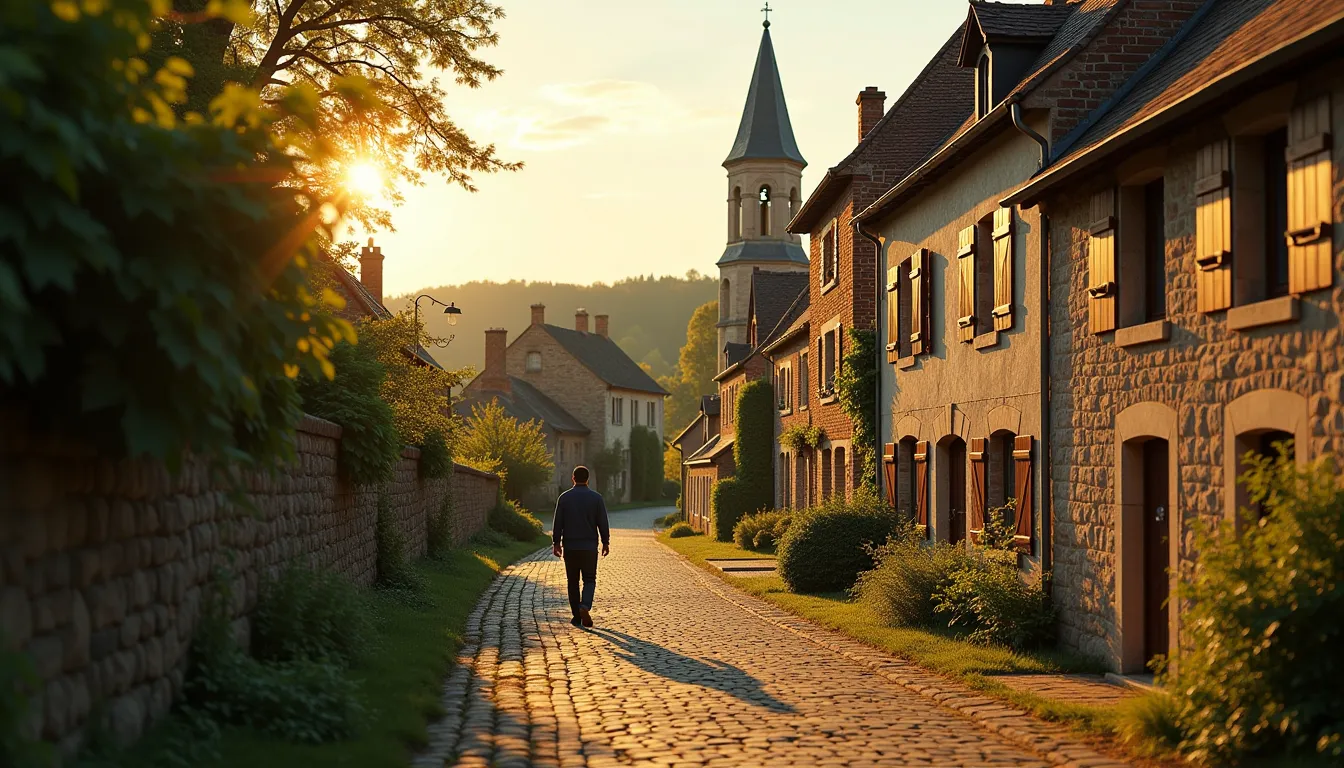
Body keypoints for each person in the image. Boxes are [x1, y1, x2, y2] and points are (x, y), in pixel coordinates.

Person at [551, 465, 610, 628]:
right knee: (589, 579)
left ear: (573, 478)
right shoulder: (596, 498)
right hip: (589, 547)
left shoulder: (564, 498)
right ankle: (585, 606)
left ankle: (577, 616)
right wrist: (606, 542)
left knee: (572, 581)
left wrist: (556, 543)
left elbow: (558, 523)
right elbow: (602, 522)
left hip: (570, 546)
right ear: (588, 479)